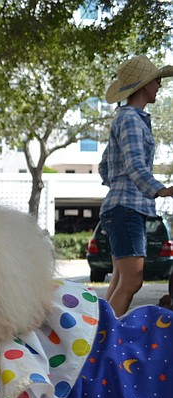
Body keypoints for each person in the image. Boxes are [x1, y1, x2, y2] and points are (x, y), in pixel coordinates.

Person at [99, 54, 173, 316]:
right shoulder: (131, 118)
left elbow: (105, 167)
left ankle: (96, 339)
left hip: (121, 206)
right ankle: (104, 344)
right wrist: (161, 189)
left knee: (120, 280)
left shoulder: (126, 117)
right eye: (157, 81)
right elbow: (134, 165)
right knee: (132, 281)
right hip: (126, 208)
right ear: (144, 85)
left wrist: (118, 185)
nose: (160, 86)